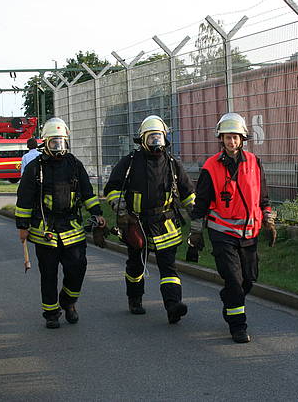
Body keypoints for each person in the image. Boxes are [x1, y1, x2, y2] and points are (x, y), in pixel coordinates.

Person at [187, 113, 275, 343]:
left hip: (249, 233)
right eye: (227, 137)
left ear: (242, 138)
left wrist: (268, 220)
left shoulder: (254, 163)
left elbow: (263, 197)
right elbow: (201, 203)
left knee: (248, 280)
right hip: (222, 233)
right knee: (234, 281)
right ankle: (238, 327)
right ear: (221, 139)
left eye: (235, 137)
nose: (231, 141)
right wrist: (196, 232)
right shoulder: (211, 166)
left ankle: (230, 300)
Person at [15, 117, 105, 329]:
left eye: (61, 142)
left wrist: (97, 213)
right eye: (54, 142)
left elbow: (87, 192)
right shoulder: (35, 168)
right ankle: (51, 313)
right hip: (44, 229)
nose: (58, 147)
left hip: (71, 227)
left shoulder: (74, 165)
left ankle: (68, 301)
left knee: (78, 267)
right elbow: (24, 198)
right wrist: (22, 226)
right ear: (45, 143)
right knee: (48, 274)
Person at [104, 115, 195, 324]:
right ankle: (135, 298)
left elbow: (187, 192)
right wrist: (121, 209)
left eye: (158, 138)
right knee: (135, 265)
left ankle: (173, 306)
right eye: (151, 138)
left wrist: (196, 215)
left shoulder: (172, 164)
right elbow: (112, 188)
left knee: (168, 267)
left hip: (165, 223)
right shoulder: (129, 162)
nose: (156, 142)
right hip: (136, 223)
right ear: (142, 140)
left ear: (165, 138)